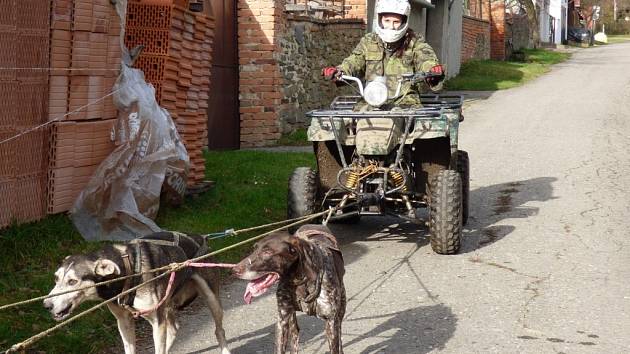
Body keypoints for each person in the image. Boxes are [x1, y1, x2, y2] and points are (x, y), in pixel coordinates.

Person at [322, 0, 444, 107]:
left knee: (425, 130)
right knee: (328, 129)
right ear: (380, 19)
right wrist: (339, 71)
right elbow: (354, 60)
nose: (391, 26)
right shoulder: (369, 41)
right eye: (387, 20)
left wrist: (432, 71)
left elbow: (425, 58)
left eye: (396, 22)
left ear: (404, 22)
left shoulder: (415, 42)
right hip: (371, 101)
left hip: (406, 103)